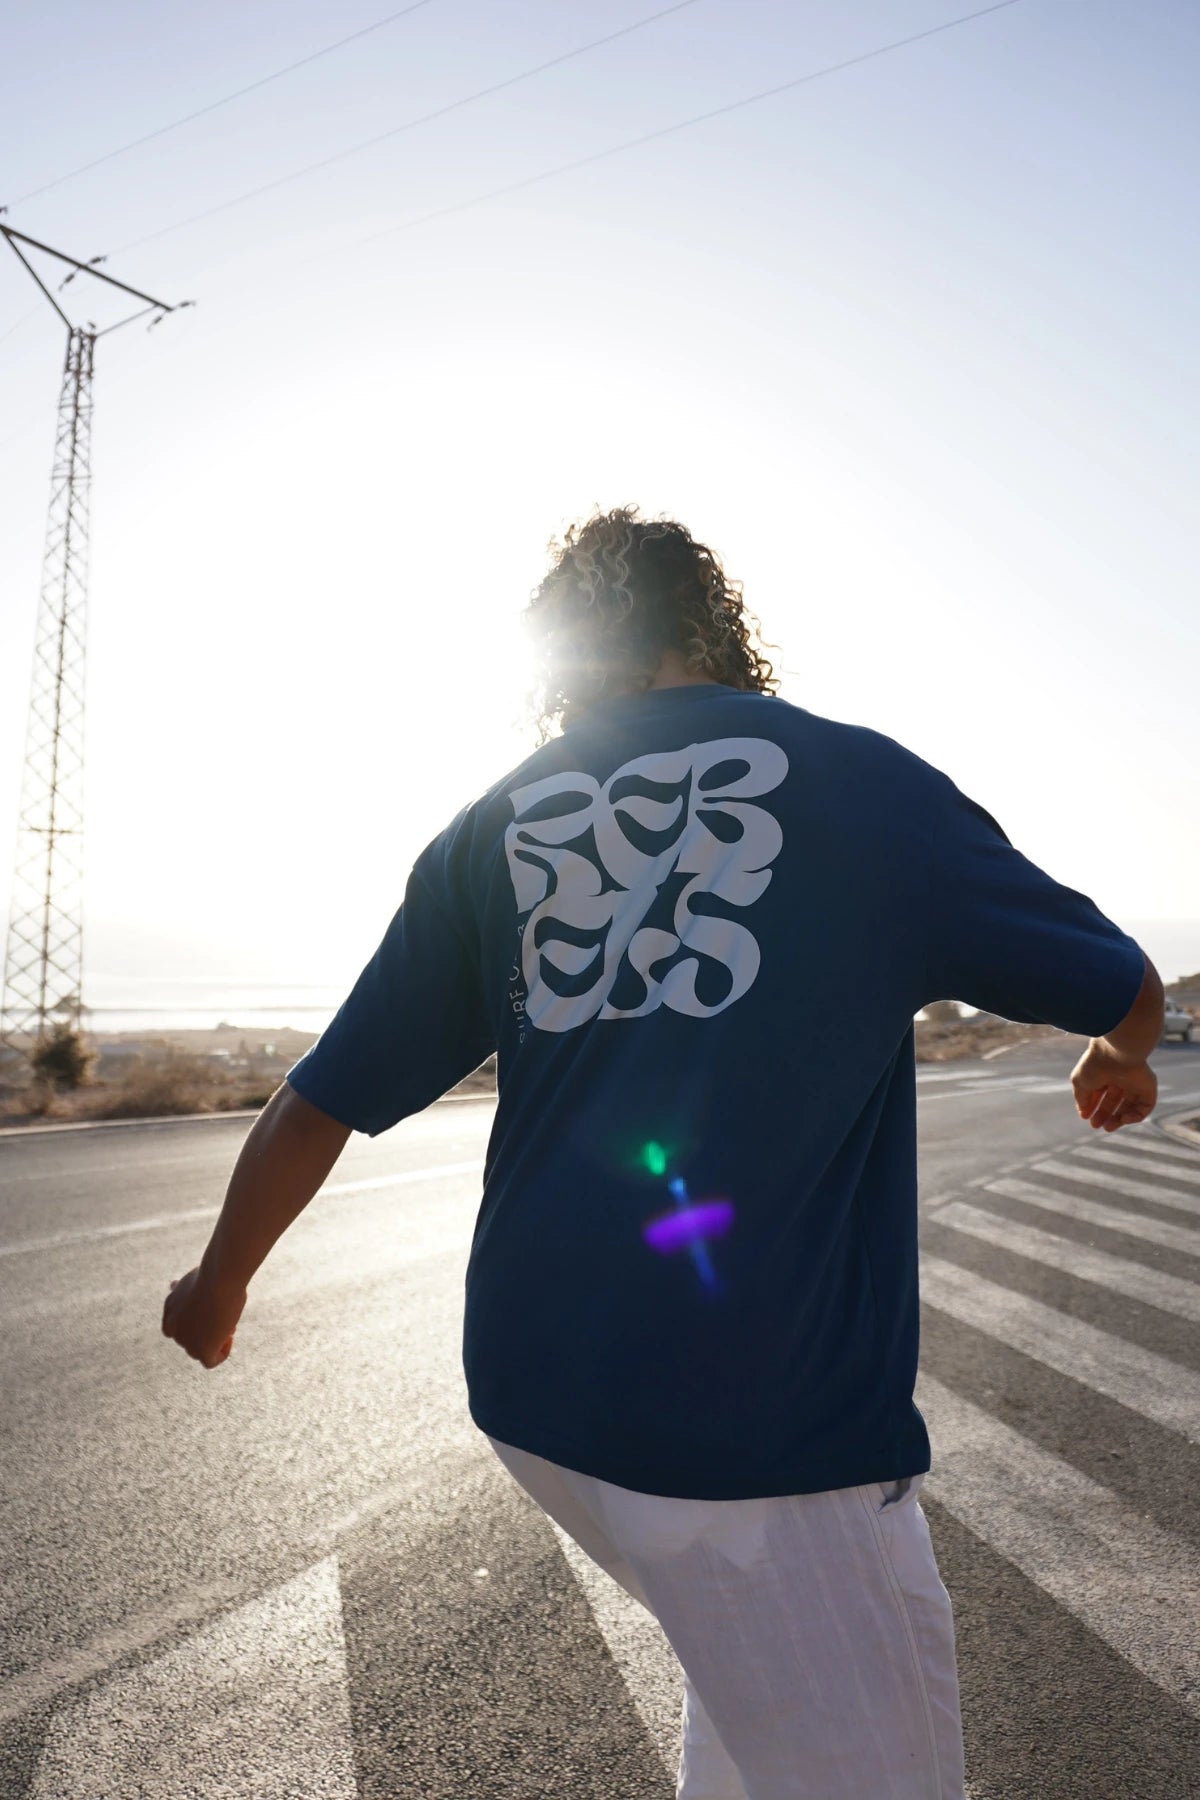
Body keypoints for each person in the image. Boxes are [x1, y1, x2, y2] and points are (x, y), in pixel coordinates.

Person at [162, 507, 1164, 1799]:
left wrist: (219, 1284)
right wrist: (1118, 1058)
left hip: (537, 1395)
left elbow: (322, 1099)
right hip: (761, 1422)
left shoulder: (494, 827)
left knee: (757, 1709)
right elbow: (1125, 983)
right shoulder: (861, 787)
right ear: (709, 625)